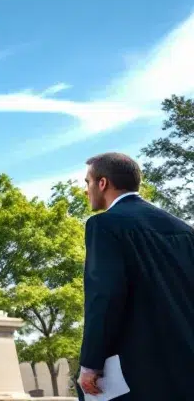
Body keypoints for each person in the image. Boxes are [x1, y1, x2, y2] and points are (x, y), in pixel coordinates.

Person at [77, 152, 194, 399]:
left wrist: (91, 363)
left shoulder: (104, 225)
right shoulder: (184, 230)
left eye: (87, 183)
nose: (86, 190)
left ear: (102, 183)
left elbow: (104, 296)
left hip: (139, 368)